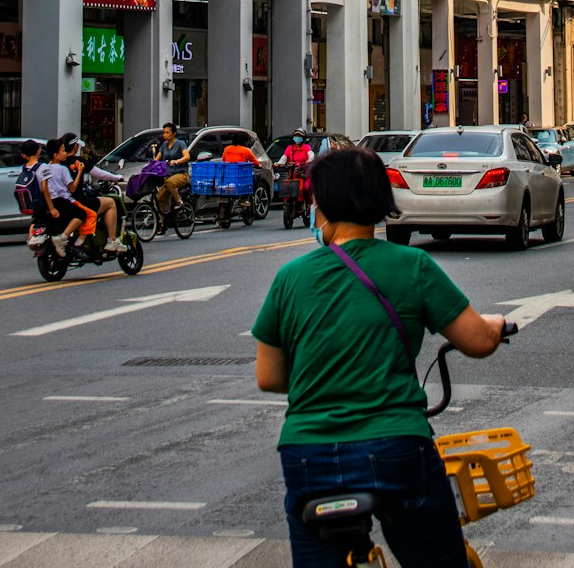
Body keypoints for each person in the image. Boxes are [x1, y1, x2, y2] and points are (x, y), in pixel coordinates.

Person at [252, 146, 506, 568]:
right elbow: (477, 341)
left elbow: (269, 377)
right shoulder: (412, 265)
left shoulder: (290, 277)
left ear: (323, 202)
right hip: (395, 446)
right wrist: (495, 326)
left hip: (307, 453)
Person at [154, 122, 191, 221]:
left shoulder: (180, 144)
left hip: (180, 174)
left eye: (167, 132)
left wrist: (177, 161)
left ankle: (179, 201)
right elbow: (157, 159)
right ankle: (161, 223)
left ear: (174, 133)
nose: (165, 135)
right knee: (159, 199)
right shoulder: (164, 145)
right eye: (164, 133)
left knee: (170, 182)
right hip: (167, 176)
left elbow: (187, 156)